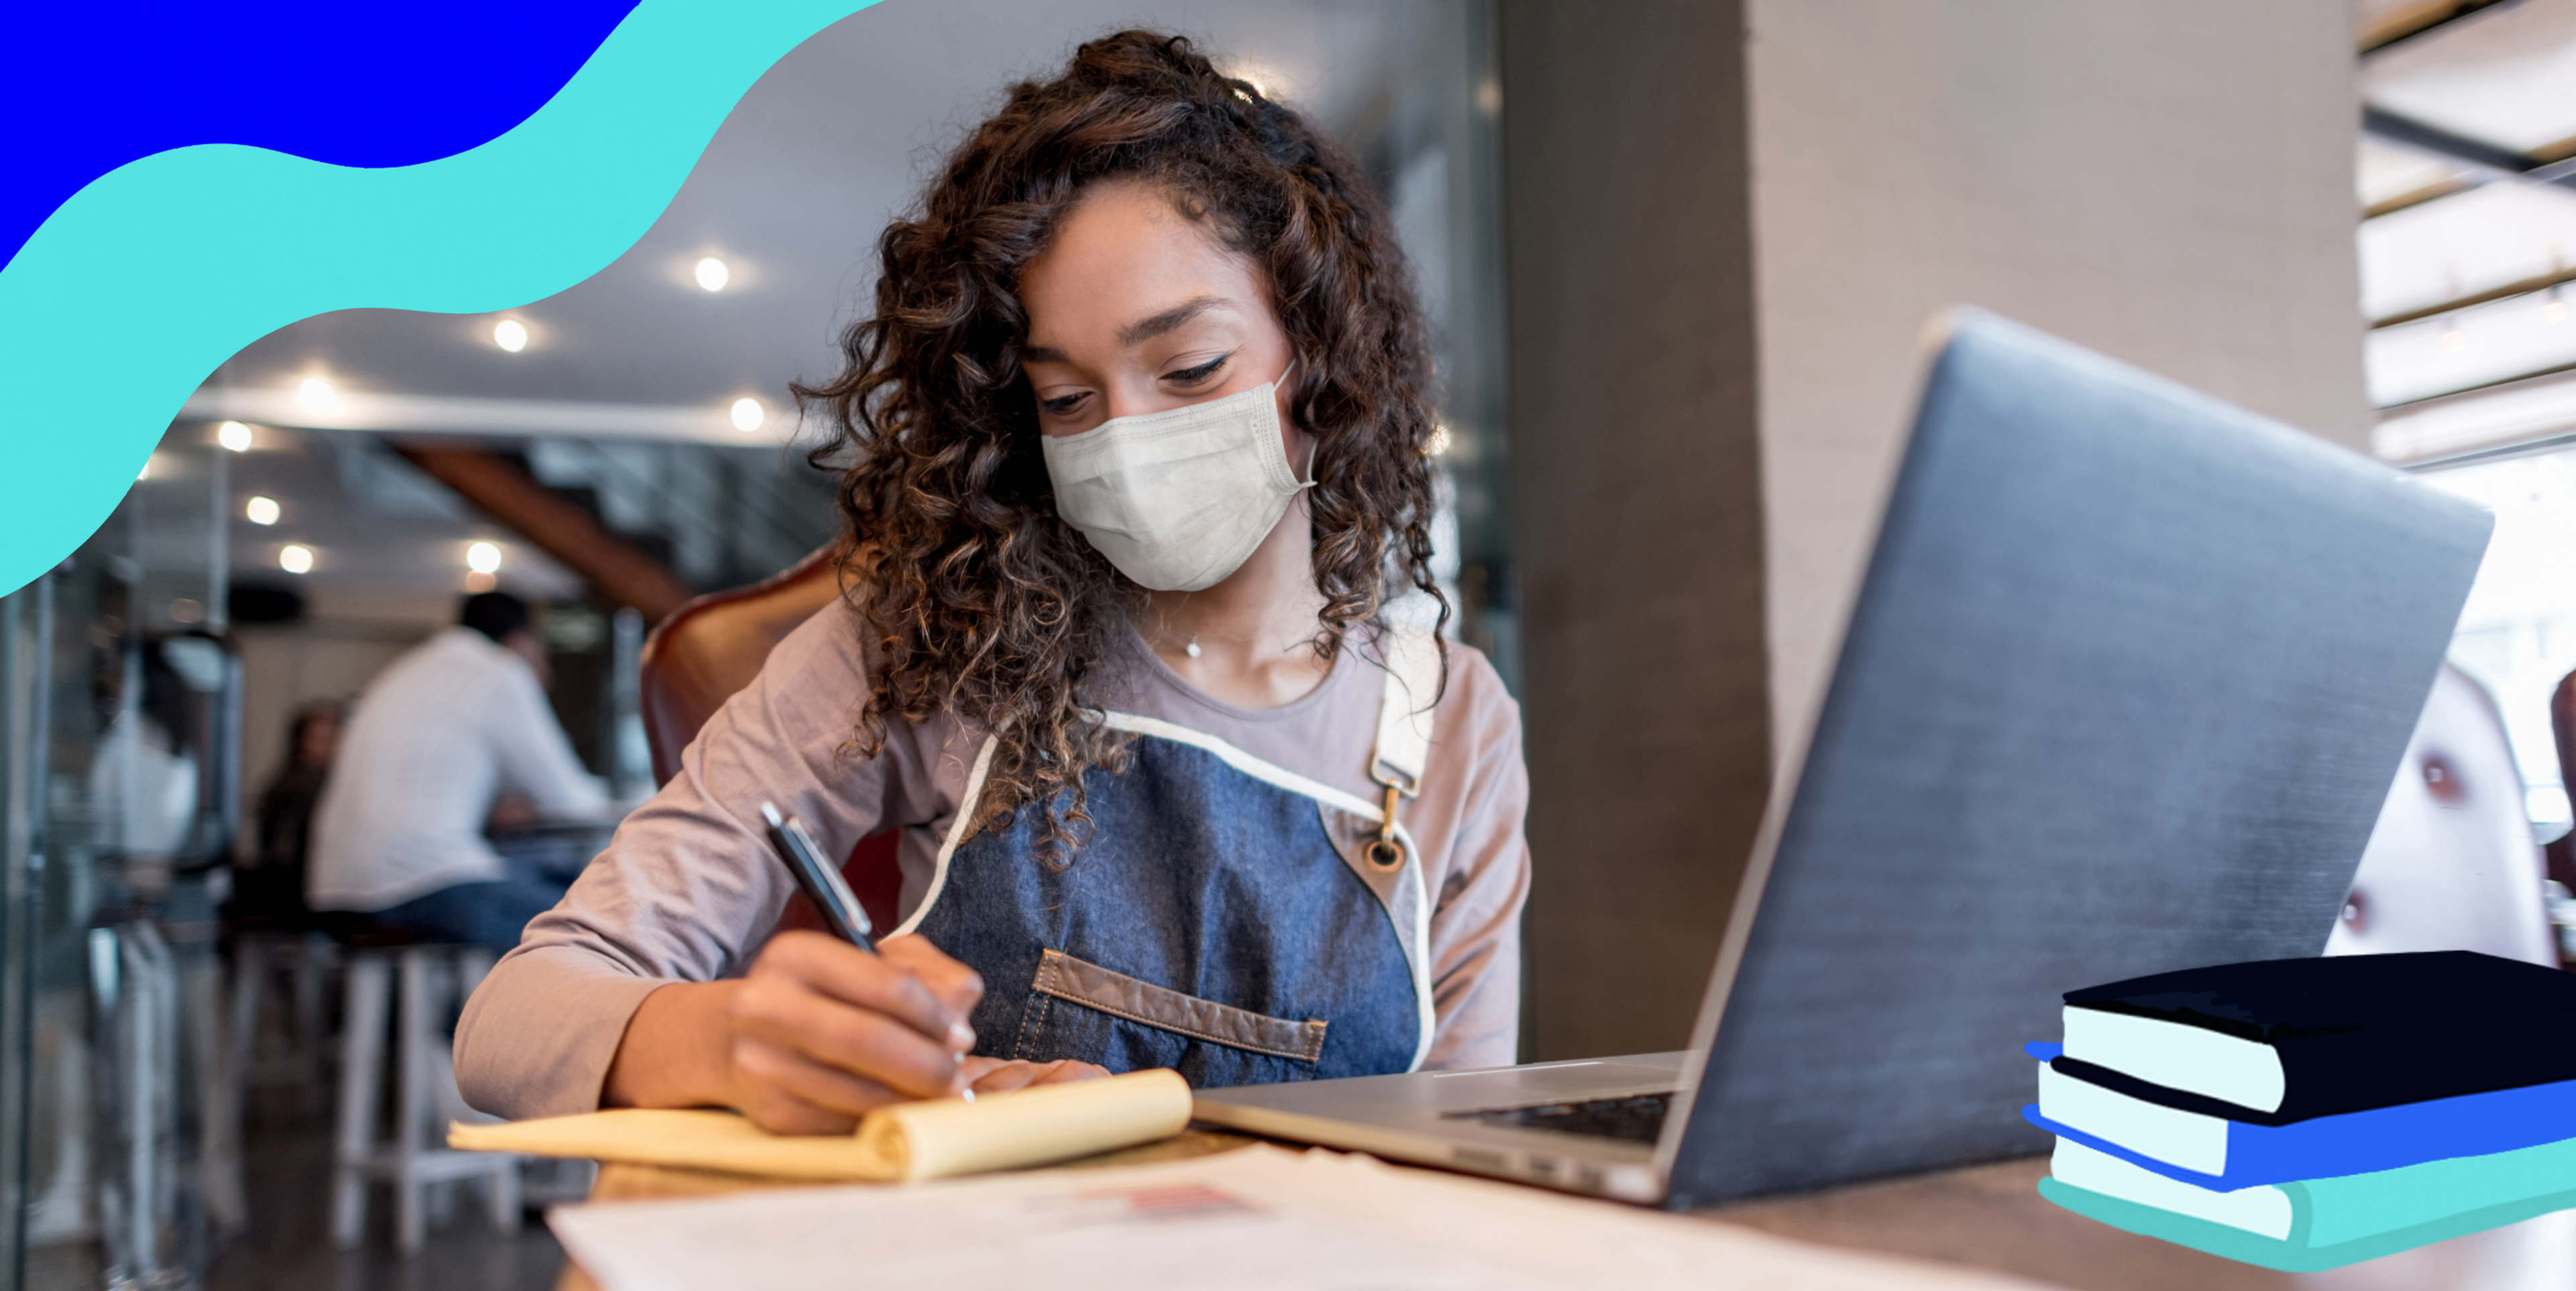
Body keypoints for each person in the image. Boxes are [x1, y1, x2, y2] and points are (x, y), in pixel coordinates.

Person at [457, 31, 1530, 1131]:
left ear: (1326, 359)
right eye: (1066, 401)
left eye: (1190, 370)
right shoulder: (934, 641)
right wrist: (727, 1043)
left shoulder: (1452, 725)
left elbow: (1465, 1137)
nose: (1128, 438)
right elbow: (513, 1017)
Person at [307, 591, 610, 951]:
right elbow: (571, 800)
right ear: (522, 640)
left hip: (334, 892)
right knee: (598, 925)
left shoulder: (410, 666)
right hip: (421, 887)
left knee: (546, 889)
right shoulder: (499, 671)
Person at [228, 699, 342, 928]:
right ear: (300, 742)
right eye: (321, 739)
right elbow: (282, 857)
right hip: (299, 895)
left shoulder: (280, 785)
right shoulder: (300, 786)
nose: (330, 748)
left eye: (334, 739)